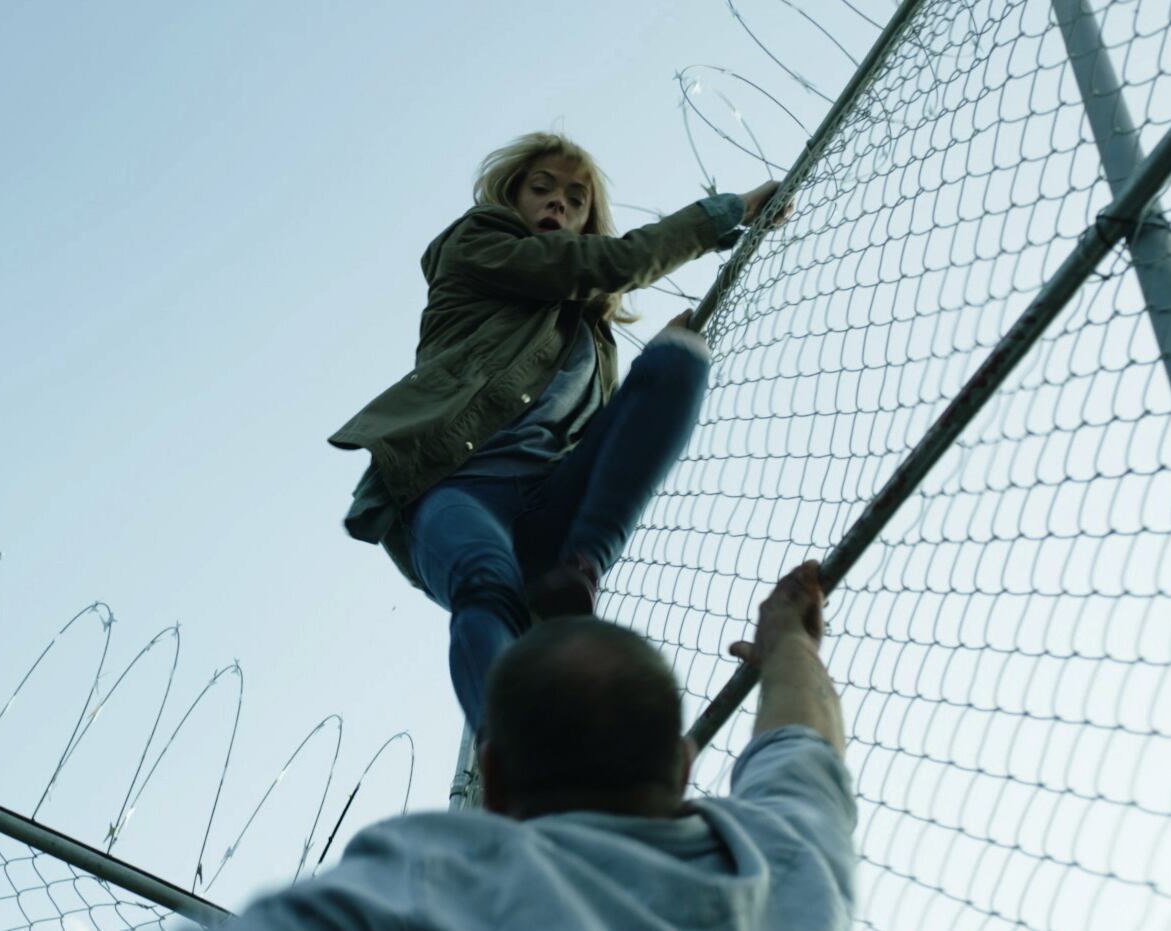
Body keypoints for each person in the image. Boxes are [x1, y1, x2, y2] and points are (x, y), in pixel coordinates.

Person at [329, 131, 790, 731]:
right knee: (487, 583)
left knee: (678, 359)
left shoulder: (590, 339)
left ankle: (578, 572)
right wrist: (735, 210)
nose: (558, 203)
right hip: (460, 488)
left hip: (551, 506)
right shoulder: (474, 246)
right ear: (511, 197)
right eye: (542, 189)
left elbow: (608, 444)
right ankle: (508, 751)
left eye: (576, 201)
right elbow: (610, 264)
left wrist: (653, 367)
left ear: (585, 223)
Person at [225, 561, 855, 930]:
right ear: (684, 764)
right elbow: (801, 743)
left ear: (492, 779)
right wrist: (788, 640)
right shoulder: (780, 860)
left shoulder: (433, 874)